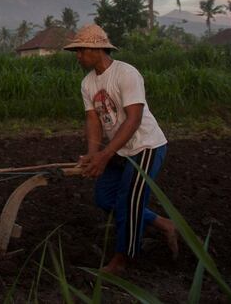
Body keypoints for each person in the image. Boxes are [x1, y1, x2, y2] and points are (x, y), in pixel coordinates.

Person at [64, 24, 178, 275]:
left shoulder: (126, 73)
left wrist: (105, 156)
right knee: (104, 198)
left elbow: (134, 119)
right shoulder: (88, 83)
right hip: (119, 150)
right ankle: (162, 223)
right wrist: (94, 153)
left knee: (128, 201)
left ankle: (123, 260)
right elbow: (93, 120)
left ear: (97, 49)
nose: (78, 56)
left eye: (81, 50)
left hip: (144, 146)